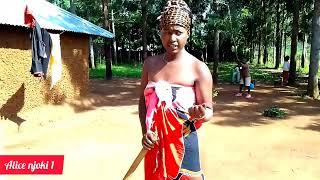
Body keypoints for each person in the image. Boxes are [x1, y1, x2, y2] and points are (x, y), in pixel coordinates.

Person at [138, 0, 213, 179]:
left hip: (184, 142)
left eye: (178, 32)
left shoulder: (198, 68)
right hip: (154, 143)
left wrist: (201, 113)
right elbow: (143, 102)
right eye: (167, 32)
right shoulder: (150, 64)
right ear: (160, 33)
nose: (172, 38)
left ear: (188, 33)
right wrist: (145, 132)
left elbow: (209, 109)